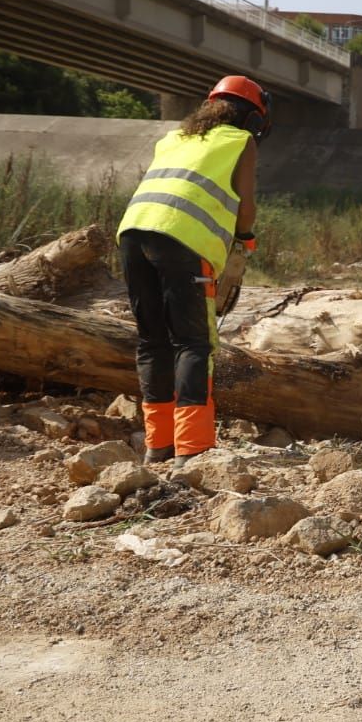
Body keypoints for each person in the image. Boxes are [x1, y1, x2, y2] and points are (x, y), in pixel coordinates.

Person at [117, 76, 271, 463]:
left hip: (132, 234)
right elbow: (245, 209)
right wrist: (245, 239)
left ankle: (158, 446)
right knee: (194, 343)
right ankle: (193, 448)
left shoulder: (173, 138)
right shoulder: (240, 141)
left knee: (153, 341)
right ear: (252, 118)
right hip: (184, 242)